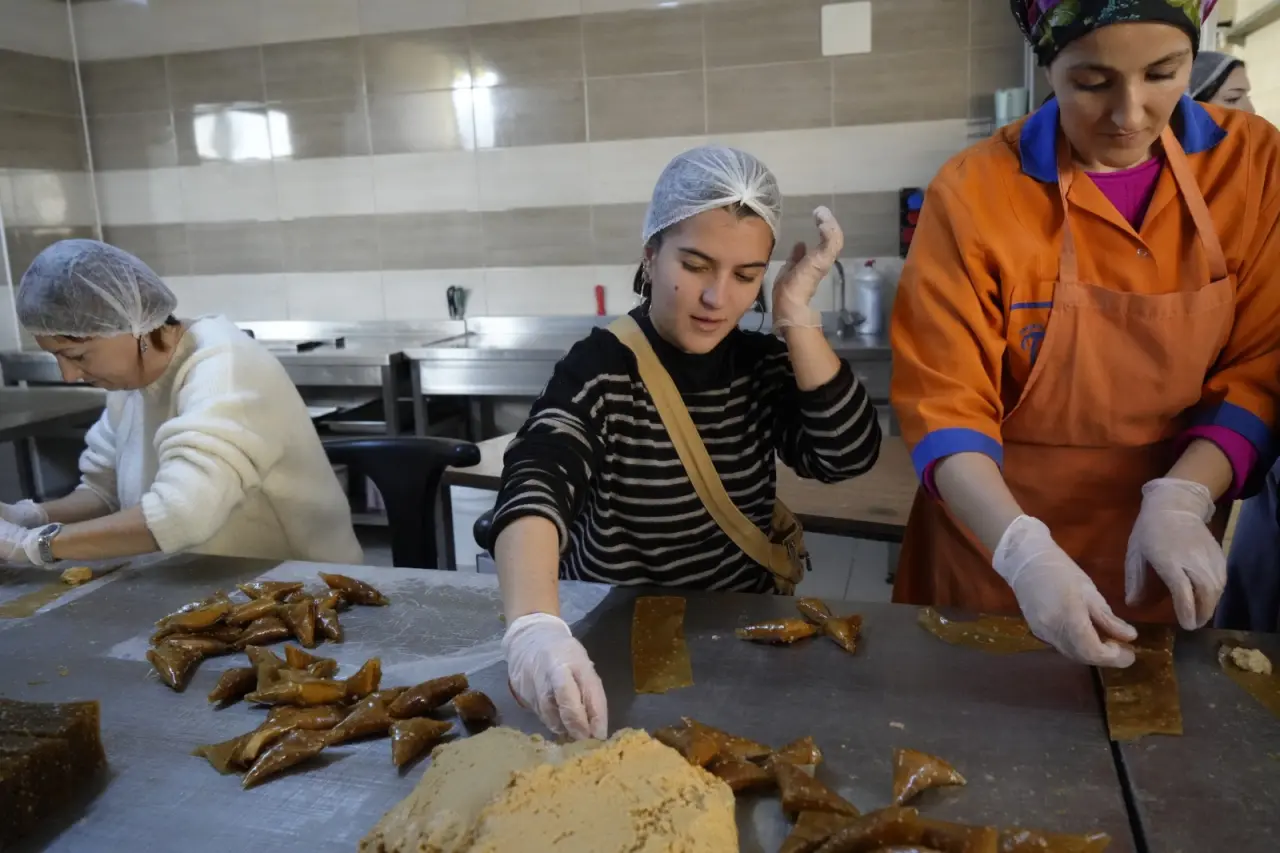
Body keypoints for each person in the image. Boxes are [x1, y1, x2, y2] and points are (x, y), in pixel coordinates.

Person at [890, 0, 1280, 667]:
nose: (1130, 114)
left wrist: (1184, 497)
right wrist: (1024, 551)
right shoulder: (974, 192)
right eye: (1092, 83)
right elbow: (943, 403)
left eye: (1164, 73)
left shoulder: (1252, 164)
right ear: (1049, 66)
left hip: (1156, 563)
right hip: (990, 558)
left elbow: (1262, 364)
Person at [493, 145, 883, 739]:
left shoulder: (760, 365)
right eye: (697, 264)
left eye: (746, 276)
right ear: (650, 254)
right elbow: (537, 476)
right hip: (610, 648)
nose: (718, 298)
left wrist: (795, 314)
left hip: (744, 640)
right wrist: (534, 626)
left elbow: (846, 453)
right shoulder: (601, 368)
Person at [0, 240, 363, 568]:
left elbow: (182, 513)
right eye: (58, 358)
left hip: (301, 589)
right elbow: (104, 490)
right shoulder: (132, 383)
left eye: (77, 355)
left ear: (130, 327)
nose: (69, 375)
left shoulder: (225, 370)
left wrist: (35, 545)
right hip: (207, 584)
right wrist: (30, 517)